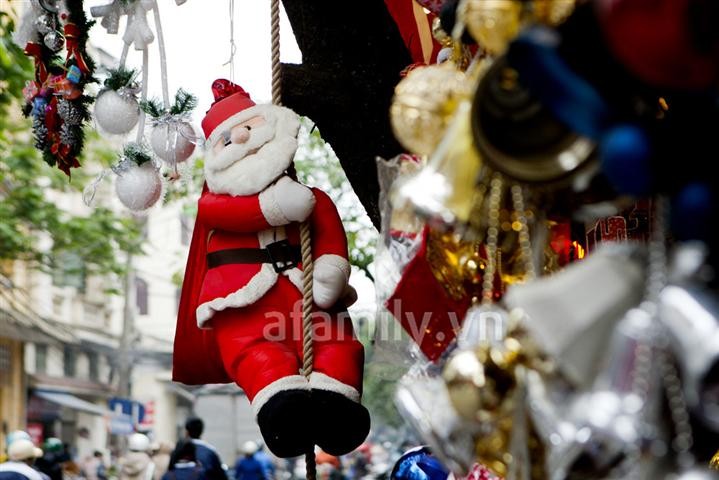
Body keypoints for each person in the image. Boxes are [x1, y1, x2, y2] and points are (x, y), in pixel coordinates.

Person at [174, 79, 369, 459]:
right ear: (216, 154)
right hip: (243, 305)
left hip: (310, 298)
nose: (244, 139)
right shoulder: (215, 205)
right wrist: (276, 207)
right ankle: (281, 408)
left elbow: (327, 229)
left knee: (337, 345)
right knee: (256, 356)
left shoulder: (314, 199)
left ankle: (338, 401)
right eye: (230, 138)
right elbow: (230, 213)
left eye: (251, 127)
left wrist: (330, 268)